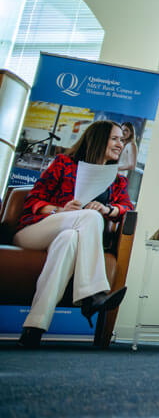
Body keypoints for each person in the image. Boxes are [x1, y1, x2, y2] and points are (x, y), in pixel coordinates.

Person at [13, 119, 132, 348]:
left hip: (68, 235)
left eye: (122, 140)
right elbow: (33, 199)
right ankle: (92, 295)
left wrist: (107, 208)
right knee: (90, 217)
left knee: (69, 240)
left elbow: (126, 207)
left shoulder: (117, 179)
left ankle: (34, 327)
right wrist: (60, 209)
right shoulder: (64, 164)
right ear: (98, 140)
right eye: (115, 139)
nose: (120, 144)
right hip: (37, 230)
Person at [116, 121, 139, 201]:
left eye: (126, 130)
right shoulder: (121, 143)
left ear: (131, 132)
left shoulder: (131, 145)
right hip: (114, 175)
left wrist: (115, 168)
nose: (123, 132)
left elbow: (132, 165)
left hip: (120, 178)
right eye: (122, 130)